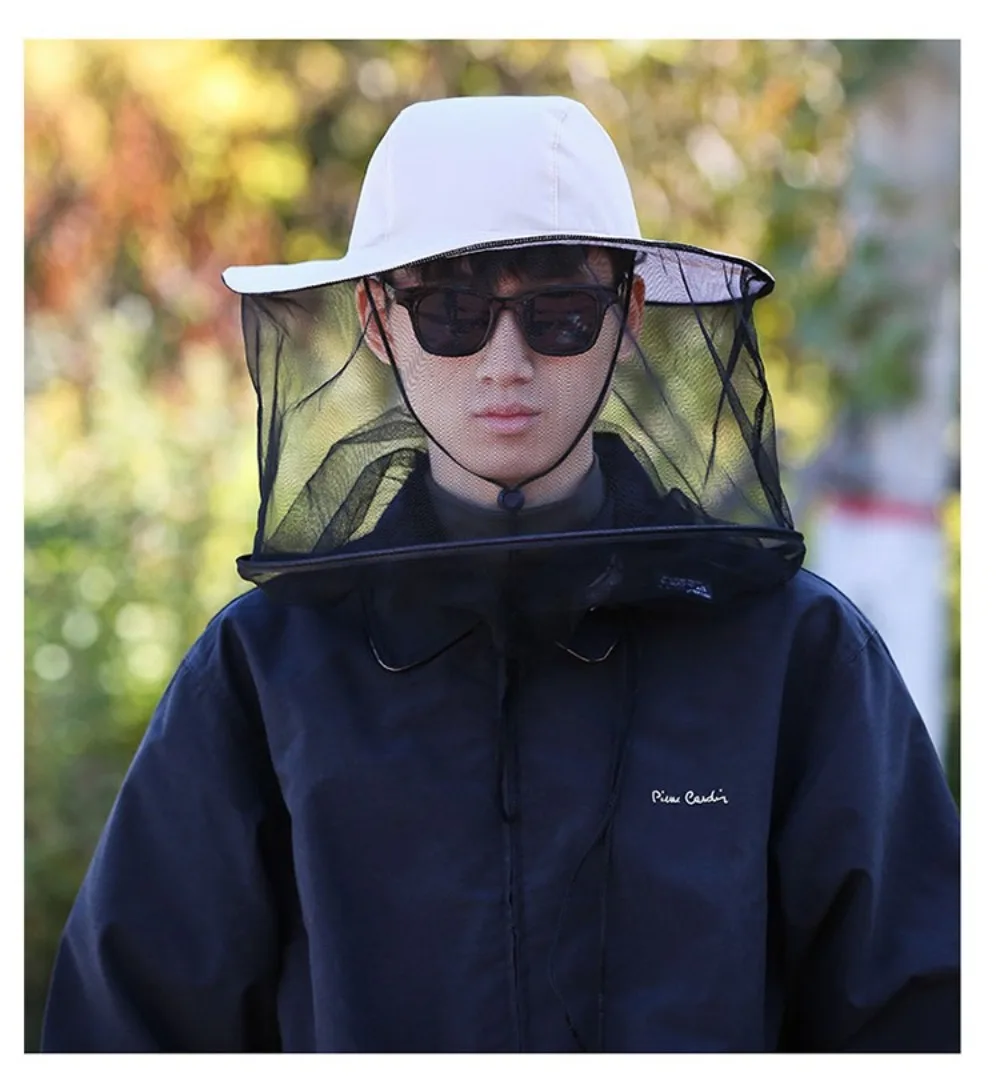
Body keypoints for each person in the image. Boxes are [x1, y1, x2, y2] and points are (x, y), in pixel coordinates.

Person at [41, 94, 960, 1053]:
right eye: (453, 313)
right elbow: (127, 1035)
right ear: (378, 320)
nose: (506, 364)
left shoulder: (791, 652)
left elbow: (922, 1020)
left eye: (561, 313)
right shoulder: (266, 671)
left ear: (627, 316)